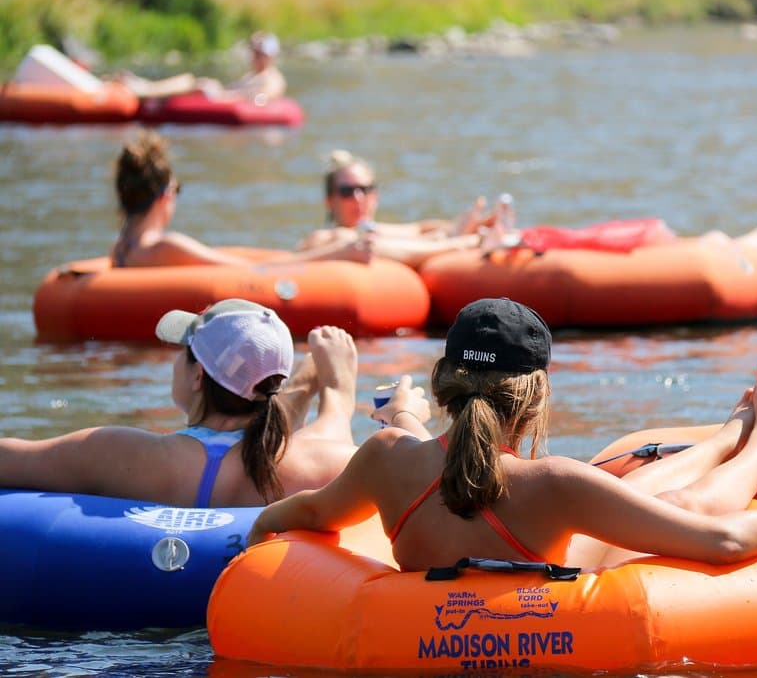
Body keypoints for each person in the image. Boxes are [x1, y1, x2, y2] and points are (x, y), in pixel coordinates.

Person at [247, 298, 757, 571]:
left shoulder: (385, 459)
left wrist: (255, 547)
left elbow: (286, 517)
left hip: (443, 553)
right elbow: (722, 542)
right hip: (570, 570)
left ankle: (720, 441)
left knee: (617, 492)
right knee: (674, 509)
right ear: (536, 394)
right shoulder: (553, 484)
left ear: (446, 385)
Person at [0, 298, 431, 508]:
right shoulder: (321, 463)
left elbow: (12, 461)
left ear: (197, 373)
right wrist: (337, 383)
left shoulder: (122, 455)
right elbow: (329, 426)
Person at [111, 131, 369, 267]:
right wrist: (338, 253)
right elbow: (251, 271)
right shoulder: (167, 247)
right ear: (165, 196)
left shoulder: (120, 250)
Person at [296, 150, 490, 269]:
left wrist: (476, 224)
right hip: (343, 248)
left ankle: (466, 237)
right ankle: (464, 243)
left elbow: (419, 228)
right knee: (355, 238)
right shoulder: (324, 238)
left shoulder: (376, 230)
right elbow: (290, 261)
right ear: (330, 201)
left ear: (376, 196)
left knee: (370, 234)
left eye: (365, 190)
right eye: (347, 191)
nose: (358, 198)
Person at [116, 32, 286, 102]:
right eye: (254, 52)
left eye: (259, 53)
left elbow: (263, 98)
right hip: (224, 95)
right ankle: (144, 85)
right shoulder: (252, 76)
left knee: (195, 83)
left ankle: (143, 90)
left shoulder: (273, 78)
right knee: (190, 79)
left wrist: (224, 96)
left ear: (270, 56)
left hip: (226, 98)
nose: (255, 57)